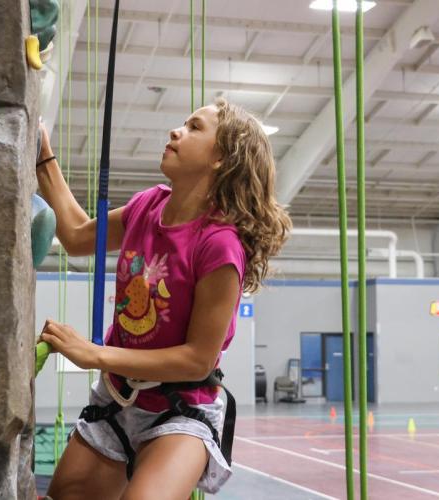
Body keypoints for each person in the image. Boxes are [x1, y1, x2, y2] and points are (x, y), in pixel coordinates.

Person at [36, 98, 291, 500]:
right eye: (182, 124)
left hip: (179, 409)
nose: (176, 131)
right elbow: (77, 235)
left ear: (222, 159)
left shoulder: (218, 245)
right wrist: (42, 154)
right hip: (117, 400)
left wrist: (94, 354)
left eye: (193, 128)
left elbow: (197, 360)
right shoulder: (147, 205)